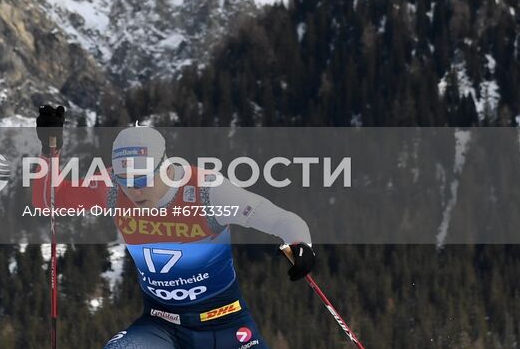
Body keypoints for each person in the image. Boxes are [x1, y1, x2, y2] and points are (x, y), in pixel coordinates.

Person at [33, 105, 316, 349]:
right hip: (160, 324)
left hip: (226, 324)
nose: (133, 190)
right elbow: (49, 201)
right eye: (124, 179)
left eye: (142, 179)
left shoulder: (207, 190)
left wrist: (300, 244)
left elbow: (279, 218)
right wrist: (49, 150)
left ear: (164, 167)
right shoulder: (111, 188)